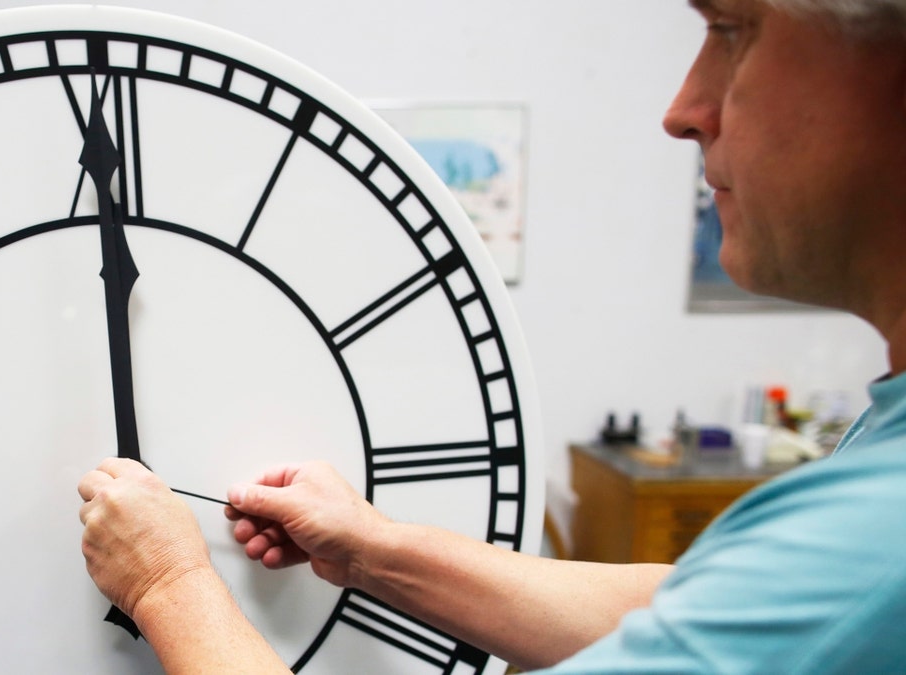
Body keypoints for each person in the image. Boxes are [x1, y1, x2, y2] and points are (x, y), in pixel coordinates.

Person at [78, 0, 906, 671]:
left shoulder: (871, 548)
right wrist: (372, 549)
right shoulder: (878, 466)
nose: (684, 111)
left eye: (732, 29)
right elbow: (700, 609)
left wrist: (168, 580)